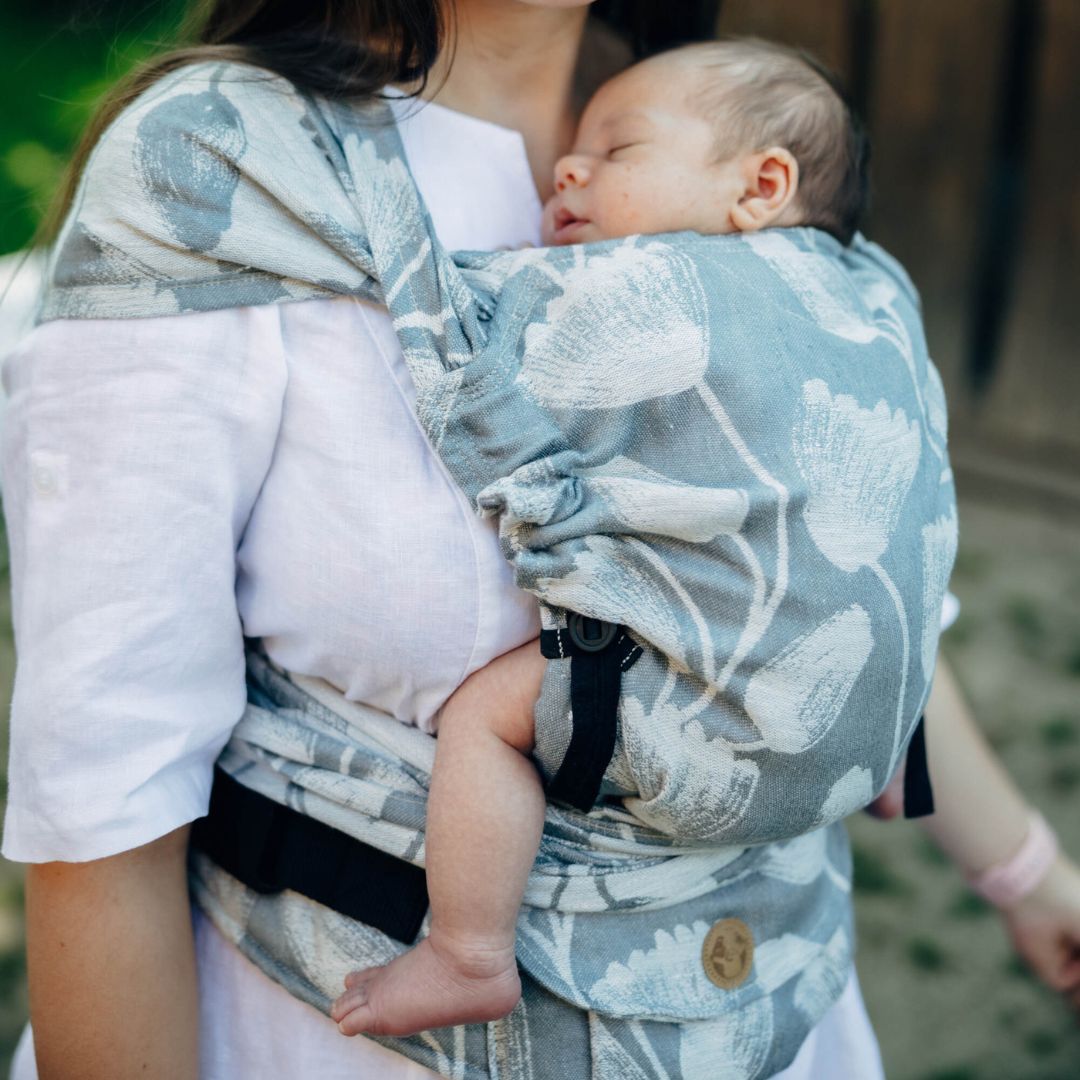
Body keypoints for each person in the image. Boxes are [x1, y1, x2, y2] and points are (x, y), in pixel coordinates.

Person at [1, 6, 1076, 1080]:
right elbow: (107, 798)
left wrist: (1030, 876)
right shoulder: (219, 167)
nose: (576, 175)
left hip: (786, 1027)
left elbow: (850, 601)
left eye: (612, 156)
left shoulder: (721, 121)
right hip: (343, 1035)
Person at [328, 40, 1080, 1040]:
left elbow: (468, 340)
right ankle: (883, 758)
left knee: (484, 719)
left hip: (703, 726)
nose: (569, 168)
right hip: (868, 706)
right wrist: (1028, 873)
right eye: (576, 152)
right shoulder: (873, 301)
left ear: (760, 186)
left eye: (618, 147)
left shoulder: (637, 288)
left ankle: (466, 952)